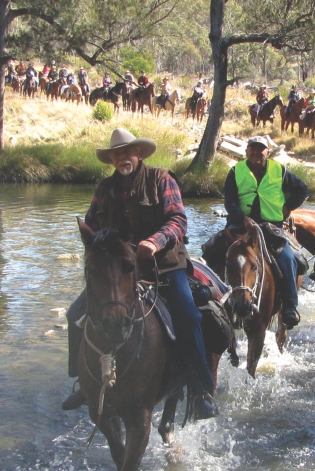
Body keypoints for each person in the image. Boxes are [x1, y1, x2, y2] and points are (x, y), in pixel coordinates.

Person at [61, 128, 219, 420]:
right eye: (117, 153)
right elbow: (93, 224)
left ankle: (201, 390)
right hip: (120, 271)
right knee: (75, 315)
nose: (123, 157)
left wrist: (154, 241)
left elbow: (178, 219)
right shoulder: (104, 189)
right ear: (112, 159)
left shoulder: (162, 178)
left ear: (139, 154)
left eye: (127, 152)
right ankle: (84, 383)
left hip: (164, 266)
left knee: (188, 314)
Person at [224, 136, 308, 329]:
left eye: (261, 149)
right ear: (246, 151)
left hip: (271, 226)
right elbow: (230, 202)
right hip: (240, 226)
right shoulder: (236, 171)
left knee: (287, 258)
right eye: (252, 149)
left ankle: (289, 307)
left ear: (267, 153)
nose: (256, 153)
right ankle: (211, 301)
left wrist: (287, 208)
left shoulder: (279, 170)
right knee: (212, 252)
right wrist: (242, 218)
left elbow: (302, 189)